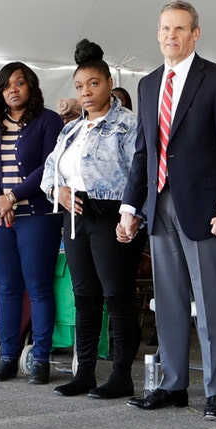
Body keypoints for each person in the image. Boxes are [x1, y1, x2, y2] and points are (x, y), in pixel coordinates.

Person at [118, 0, 216, 421]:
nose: (171, 36)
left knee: (210, 303)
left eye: (180, 29)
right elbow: (145, 151)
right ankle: (173, 385)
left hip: (205, 209)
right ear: (157, 34)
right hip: (158, 204)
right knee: (169, 300)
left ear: (196, 34)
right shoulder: (148, 84)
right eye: (165, 29)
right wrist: (129, 207)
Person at [41, 40, 144, 399]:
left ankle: (121, 375)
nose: (86, 93)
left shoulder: (128, 124)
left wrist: (132, 216)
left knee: (117, 296)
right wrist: (59, 191)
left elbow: (140, 174)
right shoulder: (70, 129)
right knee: (83, 296)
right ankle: (84, 371)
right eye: (80, 87)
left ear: (109, 82)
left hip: (112, 214)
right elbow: (50, 170)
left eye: (94, 84)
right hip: (75, 216)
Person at [0, 62, 64, 384]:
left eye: (20, 83)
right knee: (7, 288)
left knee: (38, 288)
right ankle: (8, 357)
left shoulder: (48, 121)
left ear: (31, 87)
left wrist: (12, 196)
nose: (13, 89)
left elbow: (50, 165)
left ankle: (40, 358)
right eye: (6, 85)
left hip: (37, 216)